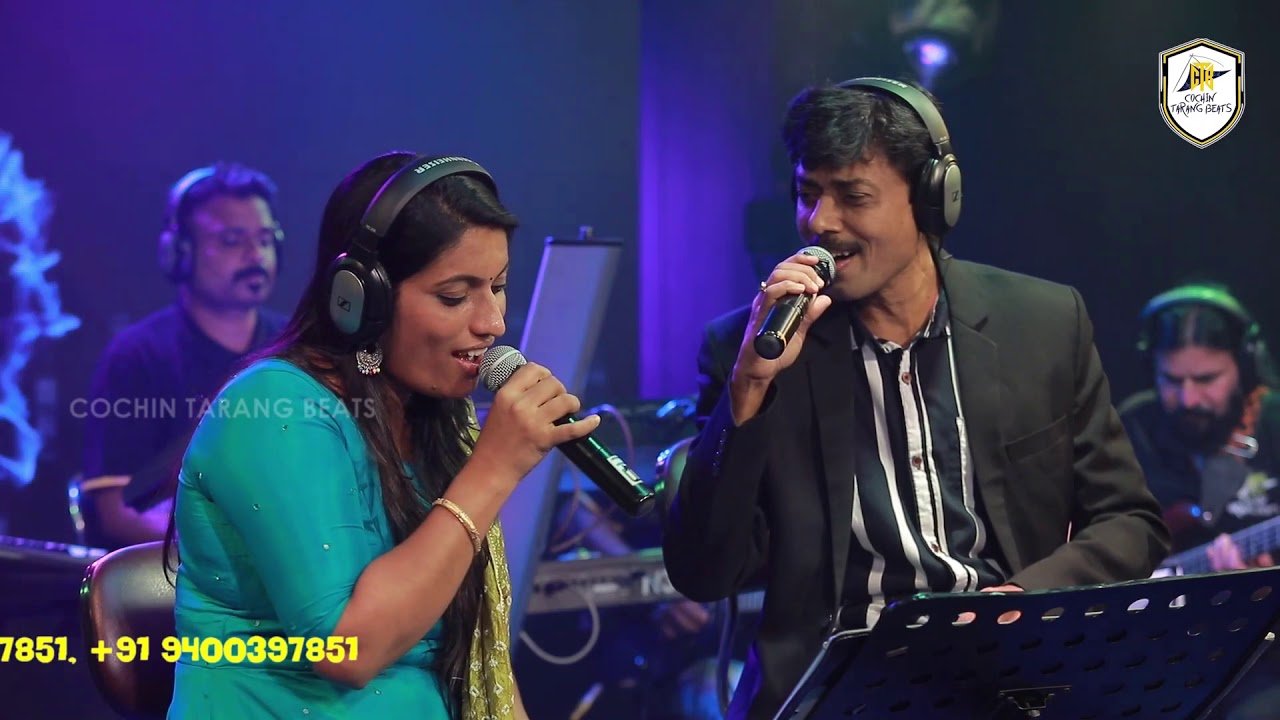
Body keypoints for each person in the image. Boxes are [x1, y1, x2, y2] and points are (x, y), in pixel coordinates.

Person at [661, 77, 1170, 719]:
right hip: (838, 690)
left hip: (1009, 676)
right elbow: (705, 572)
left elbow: (1130, 521)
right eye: (808, 194)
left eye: (853, 196)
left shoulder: (1042, 323)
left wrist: (1026, 600)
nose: (820, 223)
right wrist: (749, 390)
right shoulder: (749, 348)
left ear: (932, 199)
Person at [167, 152, 600, 719]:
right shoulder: (273, 408)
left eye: (498, 287)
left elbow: (477, 658)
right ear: (360, 299)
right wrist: (494, 468)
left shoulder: (439, 418)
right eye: (455, 296)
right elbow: (347, 649)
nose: (492, 322)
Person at [79, 162, 286, 548]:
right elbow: (116, 514)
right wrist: (231, 554)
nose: (255, 255)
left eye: (264, 239)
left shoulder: (298, 348)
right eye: (232, 240)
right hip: (184, 575)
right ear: (181, 252)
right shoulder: (137, 356)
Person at [1118, 284, 1280, 719]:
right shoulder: (1136, 424)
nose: (1188, 398)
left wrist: (1259, 590)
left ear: (1245, 366)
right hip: (1158, 644)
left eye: (1206, 380)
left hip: (1262, 654)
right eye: (1172, 380)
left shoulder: (1273, 423)